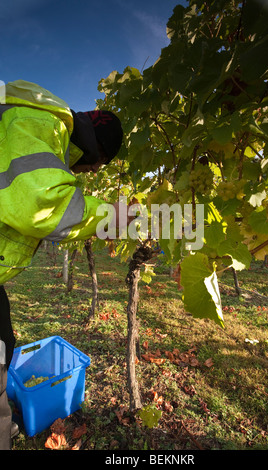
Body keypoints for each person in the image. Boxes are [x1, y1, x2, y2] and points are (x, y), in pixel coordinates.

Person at [0, 79, 126, 449]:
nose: (90, 173)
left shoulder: (44, 126)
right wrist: (112, 216)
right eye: (97, 165)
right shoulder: (41, 123)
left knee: (5, 342)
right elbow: (43, 206)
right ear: (93, 150)